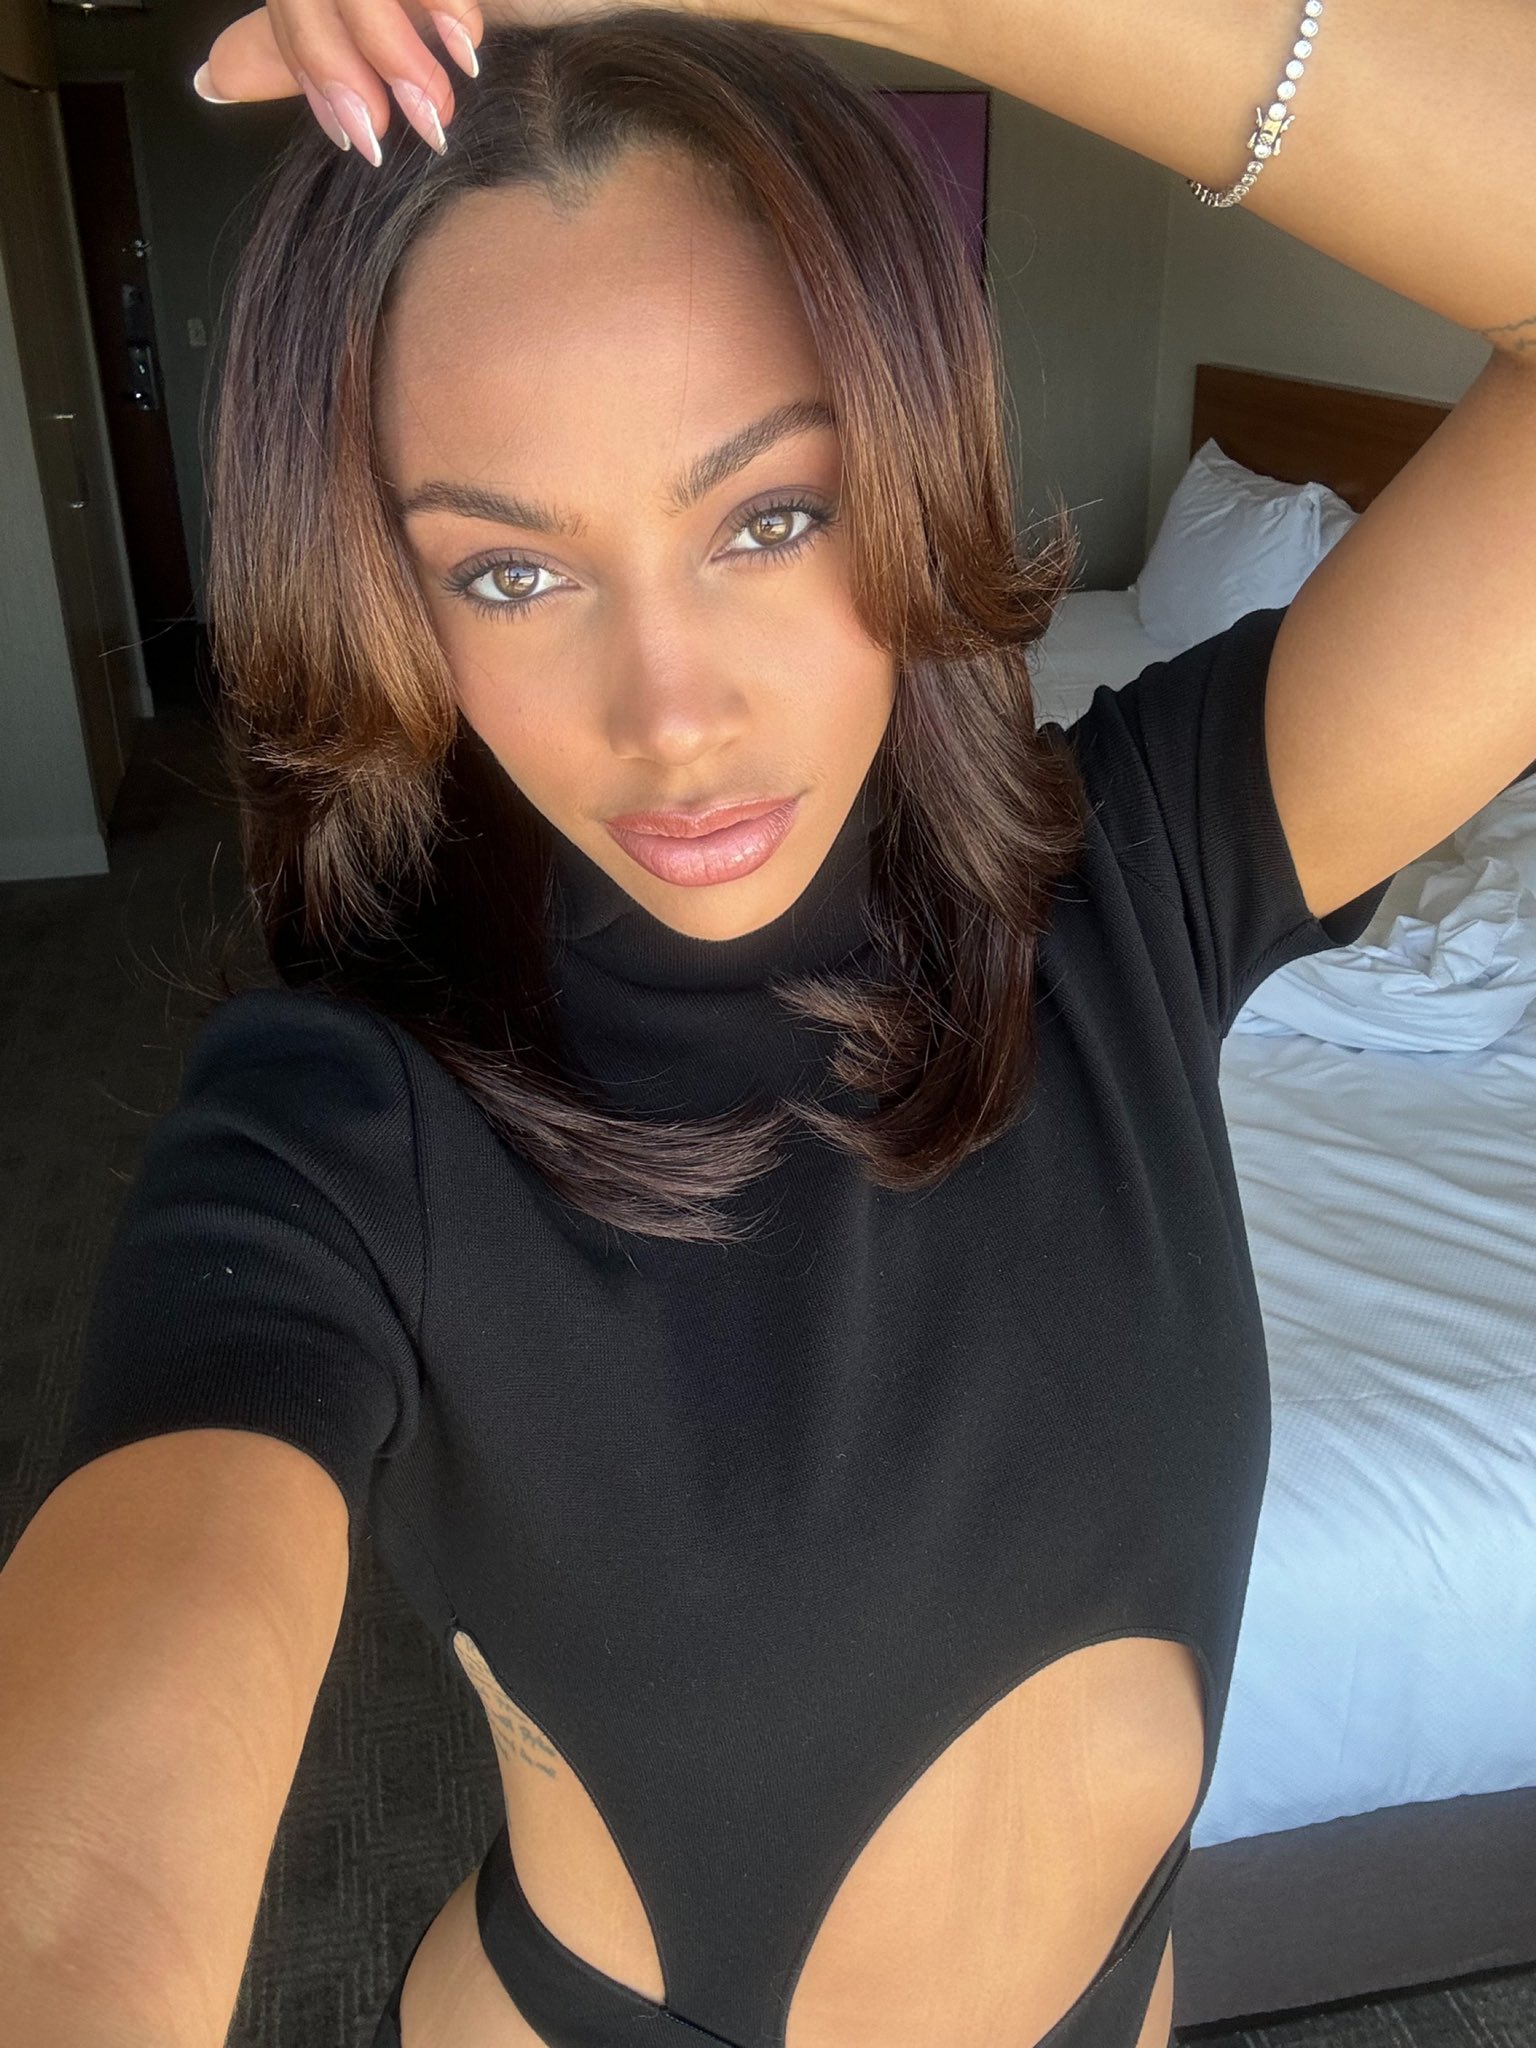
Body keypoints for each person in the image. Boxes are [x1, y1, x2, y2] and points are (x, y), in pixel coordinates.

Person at [4, 8, 1451, 2048]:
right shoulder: (341, 1120)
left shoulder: (1143, 873)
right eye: (510, 573)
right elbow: (86, 1857)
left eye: (770, 516)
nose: (670, 715)